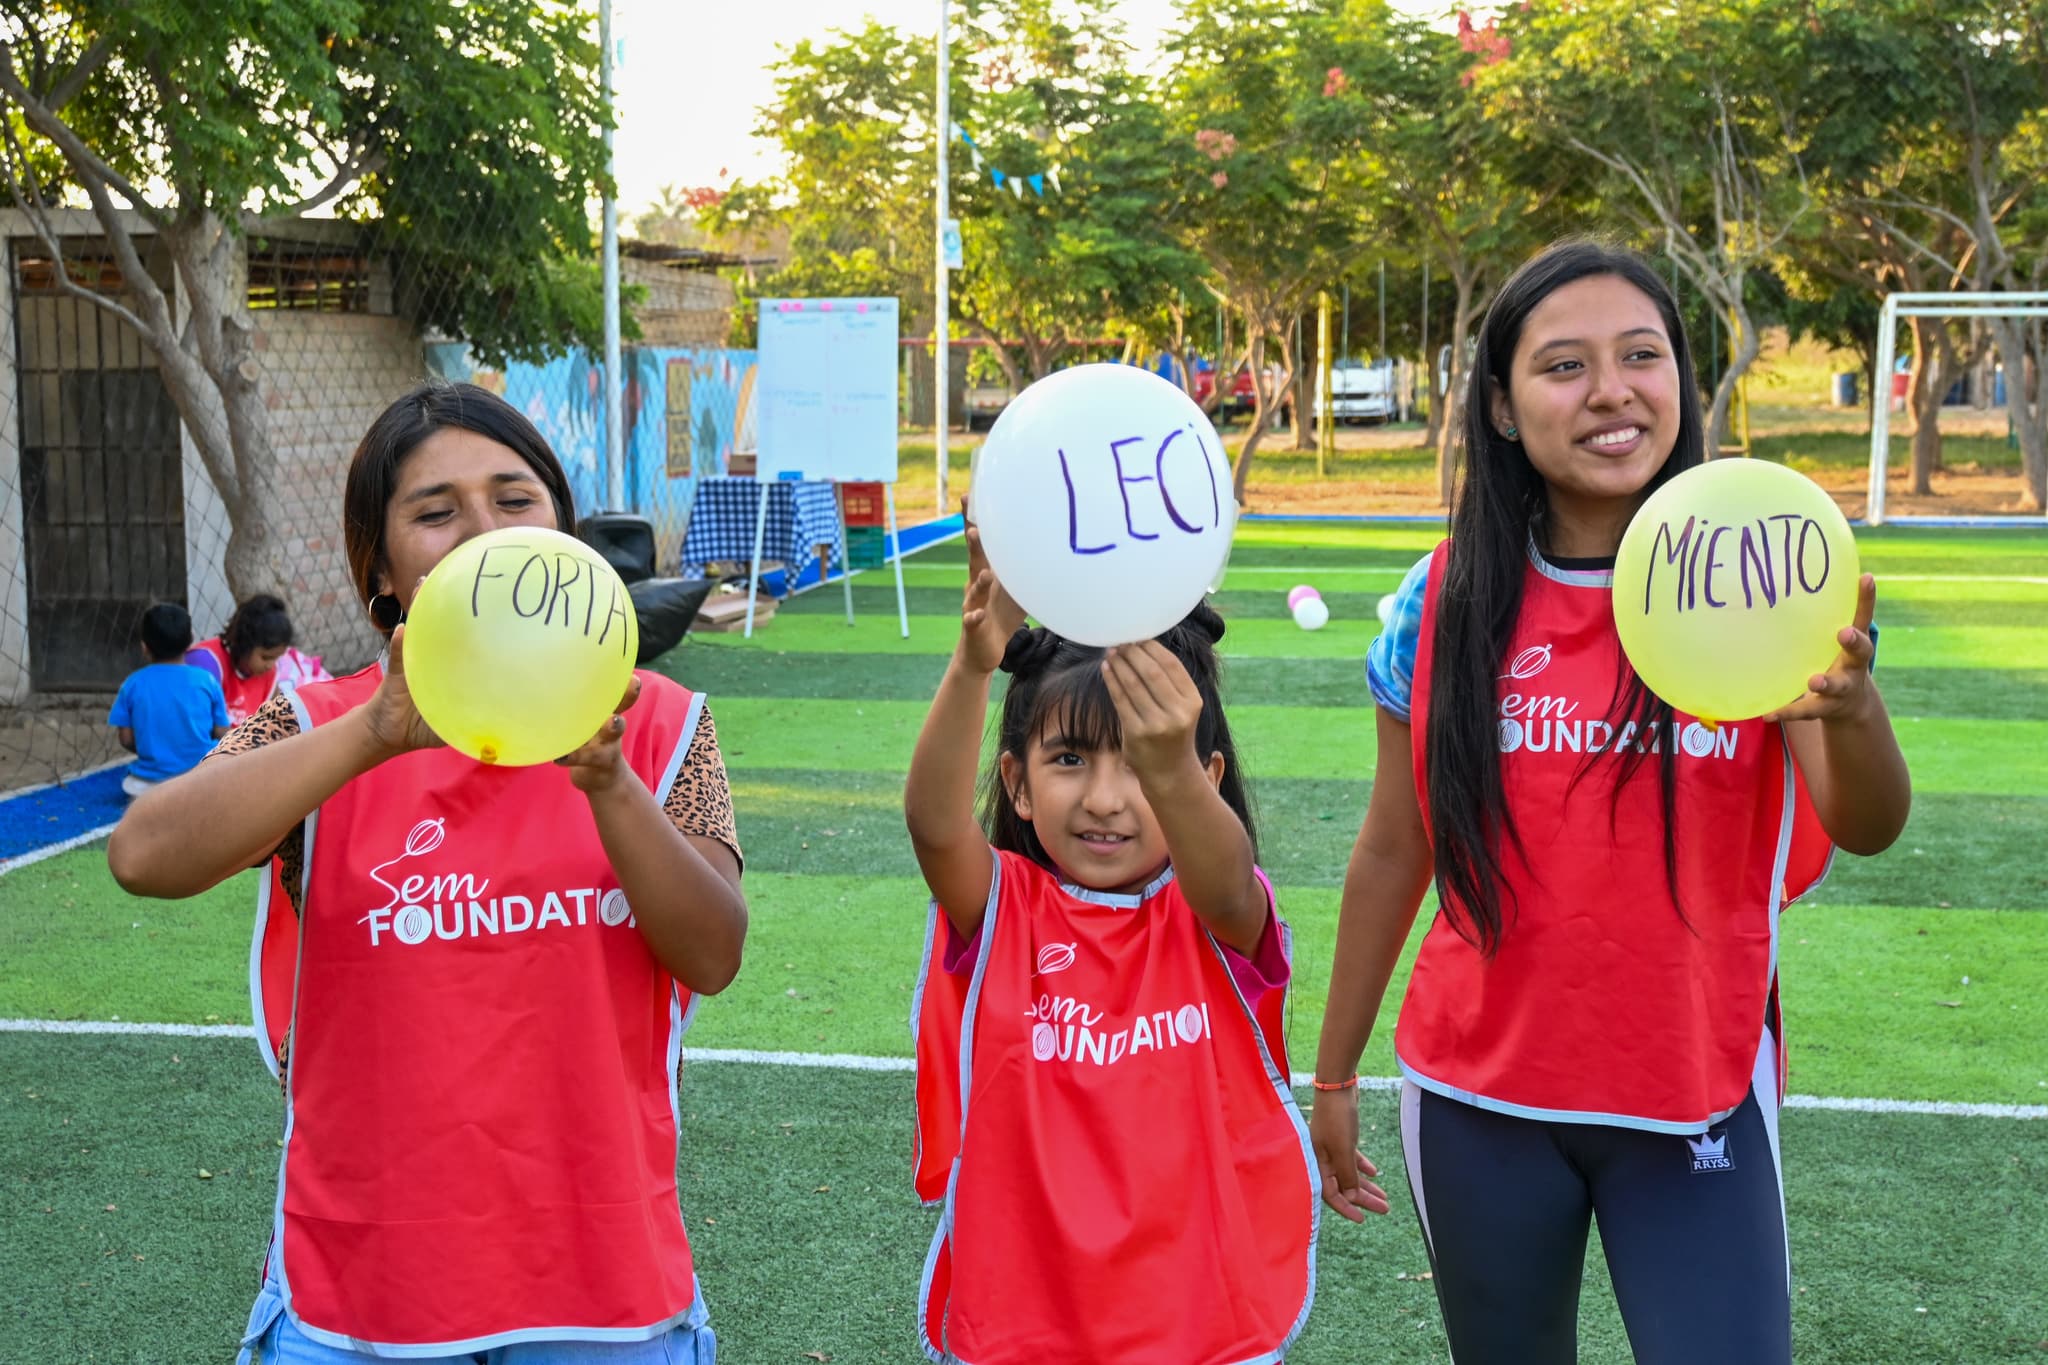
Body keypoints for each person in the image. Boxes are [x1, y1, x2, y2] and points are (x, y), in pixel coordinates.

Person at [1309, 240, 1911, 1364]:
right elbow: (1395, 850)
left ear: (1680, 384)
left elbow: (1869, 825)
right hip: (1477, 1102)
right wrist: (1334, 1071)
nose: (1609, 392)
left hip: (1694, 1092)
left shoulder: (1760, 578)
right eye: (1562, 366)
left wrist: (1849, 705)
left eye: (1640, 356)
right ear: (1499, 406)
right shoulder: (1437, 601)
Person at [106, 382, 747, 1364]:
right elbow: (143, 857)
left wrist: (608, 784)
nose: (482, 533)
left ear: (562, 533)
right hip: (360, 1298)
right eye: (435, 512)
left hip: (605, 1300)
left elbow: (710, 954)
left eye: (514, 498)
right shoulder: (320, 722)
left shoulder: (656, 726)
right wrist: (373, 735)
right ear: (384, 572)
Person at [903, 528, 1331, 1365]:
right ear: (1018, 784)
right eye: (1068, 759)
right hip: (1023, 1326)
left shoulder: (1214, 916)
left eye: (1138, 766)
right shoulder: (1001, 909)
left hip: (1200, 1325)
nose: (1105, 798)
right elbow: (932, 823)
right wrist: (971, 663)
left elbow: (1230, 876)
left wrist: (1165, 759)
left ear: (1201, 779)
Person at [108, 602, 231, 798]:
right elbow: (222, 731)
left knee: (133, 786)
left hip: (150, 783)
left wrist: (156, 749)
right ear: (190, 642)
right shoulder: (206, 680)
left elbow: (126, 739)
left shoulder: (132, 684)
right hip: (201, 776)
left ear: (144, 647)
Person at [187, 593, 332, 725]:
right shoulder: (207, 663)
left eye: (276, 658)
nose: (271, 665)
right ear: (244, 644)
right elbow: (196, 730)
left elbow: (277, 720)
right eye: (266, 657)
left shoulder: (269, 676)